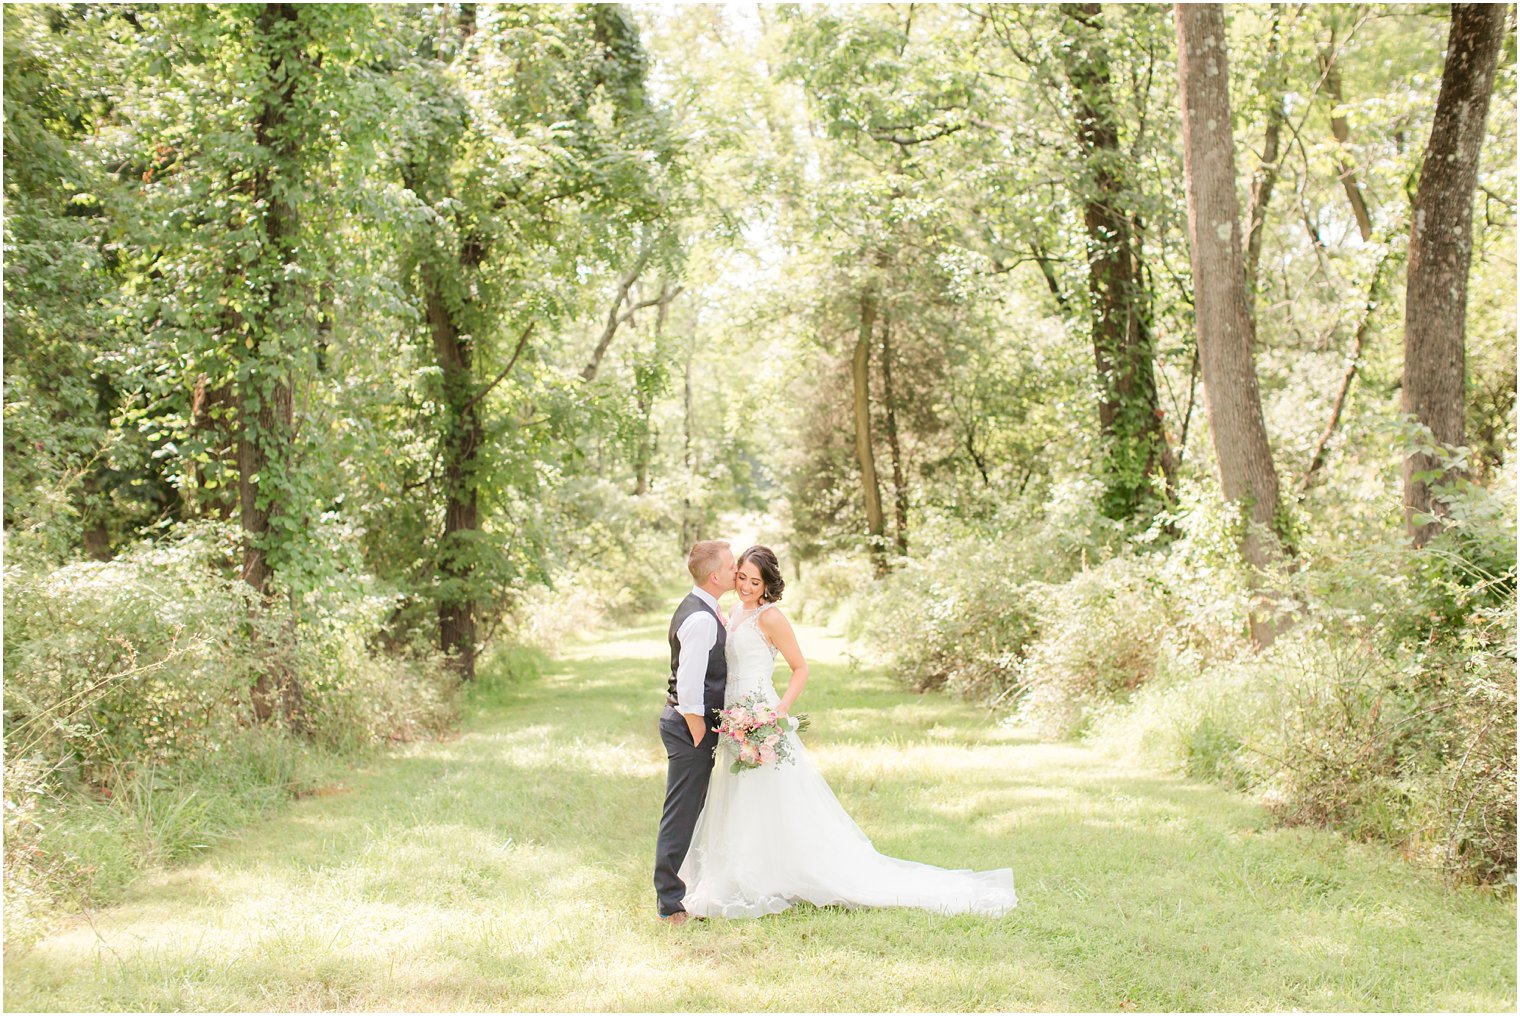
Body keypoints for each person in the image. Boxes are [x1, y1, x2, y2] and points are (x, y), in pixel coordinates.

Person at [677, 544, 1018, 919]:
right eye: (741, 577)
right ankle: (741, 872)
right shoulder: (733, 611)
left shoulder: (771, 618)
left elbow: (800, 668)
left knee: (771, 796)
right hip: (735, 717)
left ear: (767, 584)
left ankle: (781, 873)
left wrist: (778, 712)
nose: (745, 586)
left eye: (754, 582)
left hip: (762, 716)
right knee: (737, 794)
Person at [653, 539, 736, 925]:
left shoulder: (707, 609)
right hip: (689, 729)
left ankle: (683, 892)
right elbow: (688, 687)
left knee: (692, 811)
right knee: (681, 814)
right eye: (733, 566)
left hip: (692, 728)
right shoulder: (702, 618)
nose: (737, 571)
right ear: (716, 575)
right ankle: (669, 903)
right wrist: (700, 732)